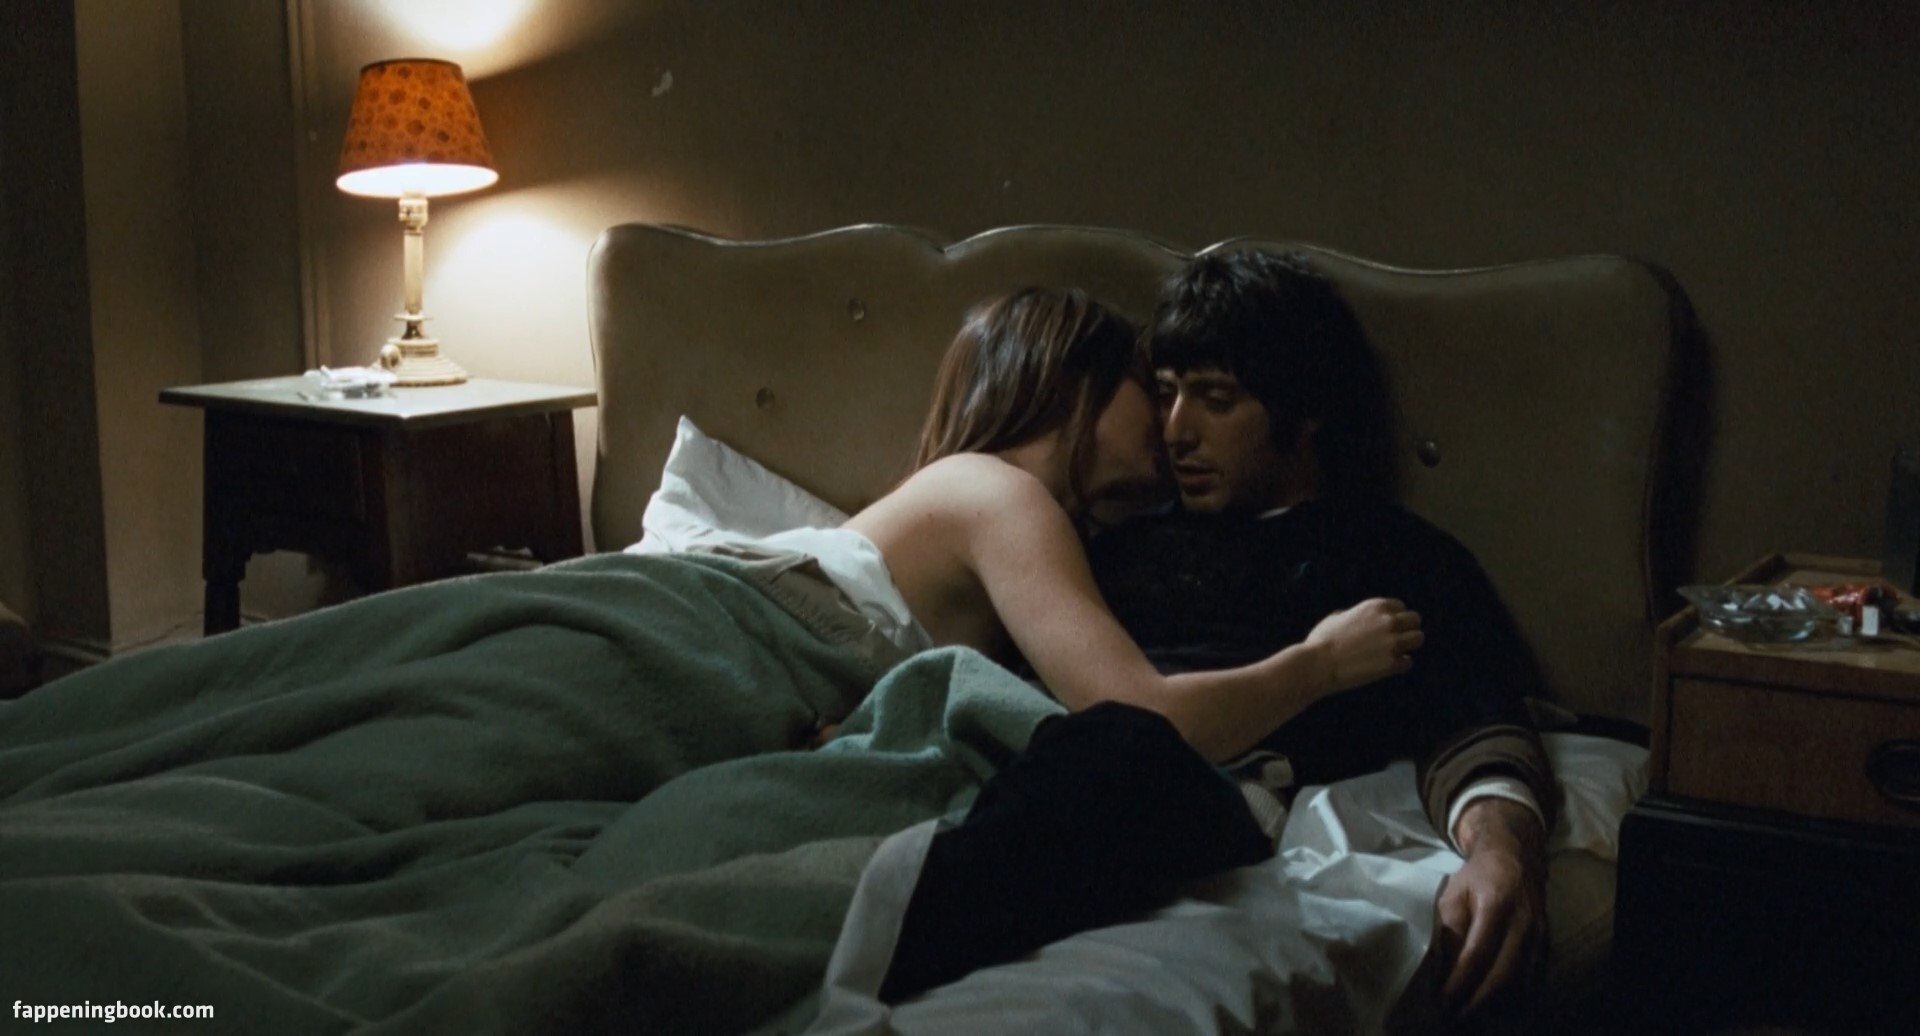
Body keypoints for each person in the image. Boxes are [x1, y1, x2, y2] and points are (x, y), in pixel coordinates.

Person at [1085, 248, 1560, 1022]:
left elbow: (1474, 725)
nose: (1176, 431)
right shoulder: (1118, 547)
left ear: (1303, 412)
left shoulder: (1391, 557)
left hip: (1192, 818)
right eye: (1166, 395)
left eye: (1216, 400)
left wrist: (1503, 854)